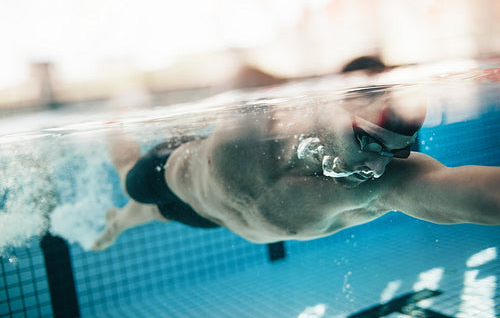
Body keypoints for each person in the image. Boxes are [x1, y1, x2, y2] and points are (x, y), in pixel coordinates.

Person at [91, 84, 500, 250]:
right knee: (134, 185)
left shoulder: (379, 188)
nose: (376, 167)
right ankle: (112, 108)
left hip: (214, 217)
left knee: (161, 213)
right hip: (175, 174)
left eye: (395, 152)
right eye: (366, 142)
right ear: (333, 104)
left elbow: (464, 192)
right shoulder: (258, 118)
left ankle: (120, 221)